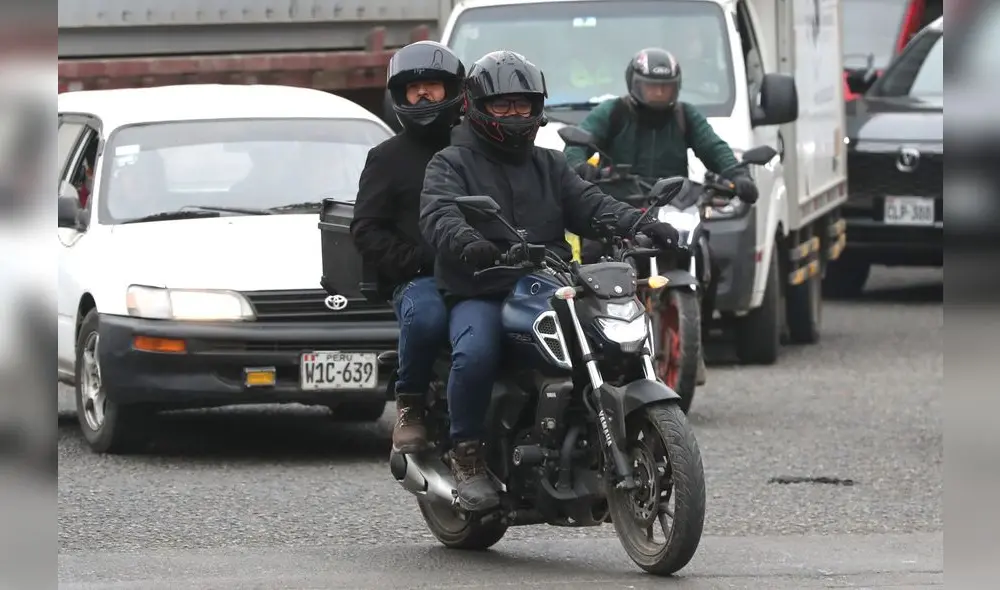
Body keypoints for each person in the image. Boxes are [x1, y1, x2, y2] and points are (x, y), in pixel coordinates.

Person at [419, 50, 681, 512]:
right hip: (481, 287)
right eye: (503, 105)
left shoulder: (550, 164)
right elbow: (439, 214)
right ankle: (467, 455)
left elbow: (591, 204)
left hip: (549, 281)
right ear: (478, 107)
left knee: (605, 335)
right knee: (475, 352)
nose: (515, 113)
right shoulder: (450, 162)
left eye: (523, 104)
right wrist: (470, 242)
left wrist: (640, 223)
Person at [350, 41, 465, 454]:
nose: (423, 95)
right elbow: (366, 229)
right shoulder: (386, 158)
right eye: (413, 89)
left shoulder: (476, 148)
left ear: (453, 90)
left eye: (432, 86)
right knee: (427, 316)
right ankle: (410, 404)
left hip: (483, 272)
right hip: (421, 280)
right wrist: (417, 260)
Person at [564, 47, 758, 205]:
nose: (658, 93)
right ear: (634, 84)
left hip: (673, 206)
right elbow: (578, 143)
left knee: (701, 235)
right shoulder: (613, 111)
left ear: (677, 86)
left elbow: (713, 147)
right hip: (616, 207)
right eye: (651, 86)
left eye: (665, 87)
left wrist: (738, 175)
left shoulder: (685, 115)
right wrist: (579, 167)